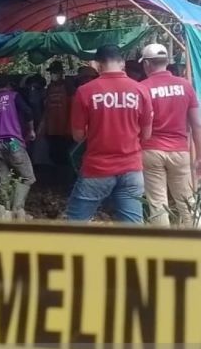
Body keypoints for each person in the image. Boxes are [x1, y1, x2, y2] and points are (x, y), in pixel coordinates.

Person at [66, 45, 153, 223]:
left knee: (75, 223)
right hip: (131, 169)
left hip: (97, 169)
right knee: (132, 227)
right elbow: (146, 135)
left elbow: (77, 136)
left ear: (97, 65)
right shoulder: (140, 90)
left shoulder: (85, 91)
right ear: (122, 63)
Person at [140, 43, 201, 226]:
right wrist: (199, 154)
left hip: (150, 151)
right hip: (180, 151)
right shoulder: (185, 86)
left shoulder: (142, 88)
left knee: (157, 203)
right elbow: (197, 123)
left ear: (148, 64)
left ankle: (164, 247)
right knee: (187, 201)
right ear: (166, 62)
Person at [0, 73, 36, 213]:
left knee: (3, 181)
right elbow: (28, 112)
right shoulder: (14, 96)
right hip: (13, 143)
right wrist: (31, 130)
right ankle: (17, 209)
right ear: (9, 85)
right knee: (27, 177)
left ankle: (3, 211)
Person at [40, 60, 74, 168]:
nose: (53, 75)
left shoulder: (68, 87)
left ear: (61, 72)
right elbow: (47, 108)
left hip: (65, 128)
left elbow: (73, 106)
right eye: (52, 72)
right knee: (53, 154)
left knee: (65, 155)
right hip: (52, 128)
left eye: (55, 72)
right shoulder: (49, 88)